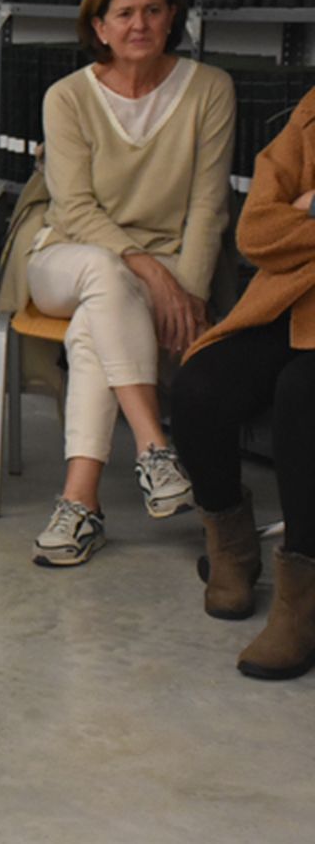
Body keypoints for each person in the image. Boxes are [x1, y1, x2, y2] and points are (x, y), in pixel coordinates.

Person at [18, 0, 234, 567]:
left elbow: (208, 204)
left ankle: (79, 505)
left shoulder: (210, 89)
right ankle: (153, 446)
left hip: (154, 273)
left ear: (172, 19)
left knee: (94, 328)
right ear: (99, 27)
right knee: (104, 276)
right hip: (65, 256)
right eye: (124, 13)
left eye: (153, 10)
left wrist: (184, 293)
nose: (139, 24)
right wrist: (154, 274)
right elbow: (77, 209)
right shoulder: (67, 97)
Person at [171, 88, 315, 679]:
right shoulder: (311, 111)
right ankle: (230, 545)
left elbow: (280, 227)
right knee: (200, 385)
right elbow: (256, 231)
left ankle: (301, 601)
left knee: (302, 398)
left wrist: (305, 213)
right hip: (290, 302)